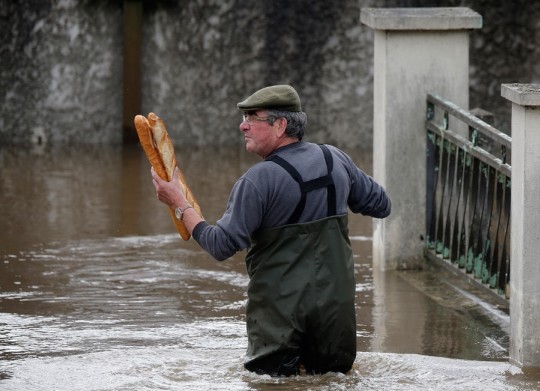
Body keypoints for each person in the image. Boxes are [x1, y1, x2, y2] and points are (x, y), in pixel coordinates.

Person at [151, 84, 391, 376]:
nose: (243, 125)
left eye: (253, 117)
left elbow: (220, 245)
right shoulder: (335, 159)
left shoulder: (257, 181)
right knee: (332, 381)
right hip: (335, 315)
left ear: (280, 125)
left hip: (280, 321)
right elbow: (381, 205)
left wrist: (179, 204)